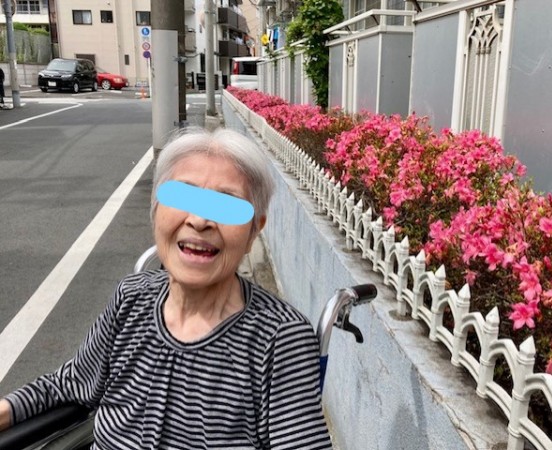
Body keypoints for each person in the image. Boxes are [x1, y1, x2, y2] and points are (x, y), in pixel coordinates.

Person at [0, 128, 333, 449]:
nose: (199, 220)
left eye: (225, 205)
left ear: (253, 231)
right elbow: (71, 383)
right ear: (156, 209)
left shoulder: (280, 338)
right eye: (183, 196)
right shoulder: (131, 299)